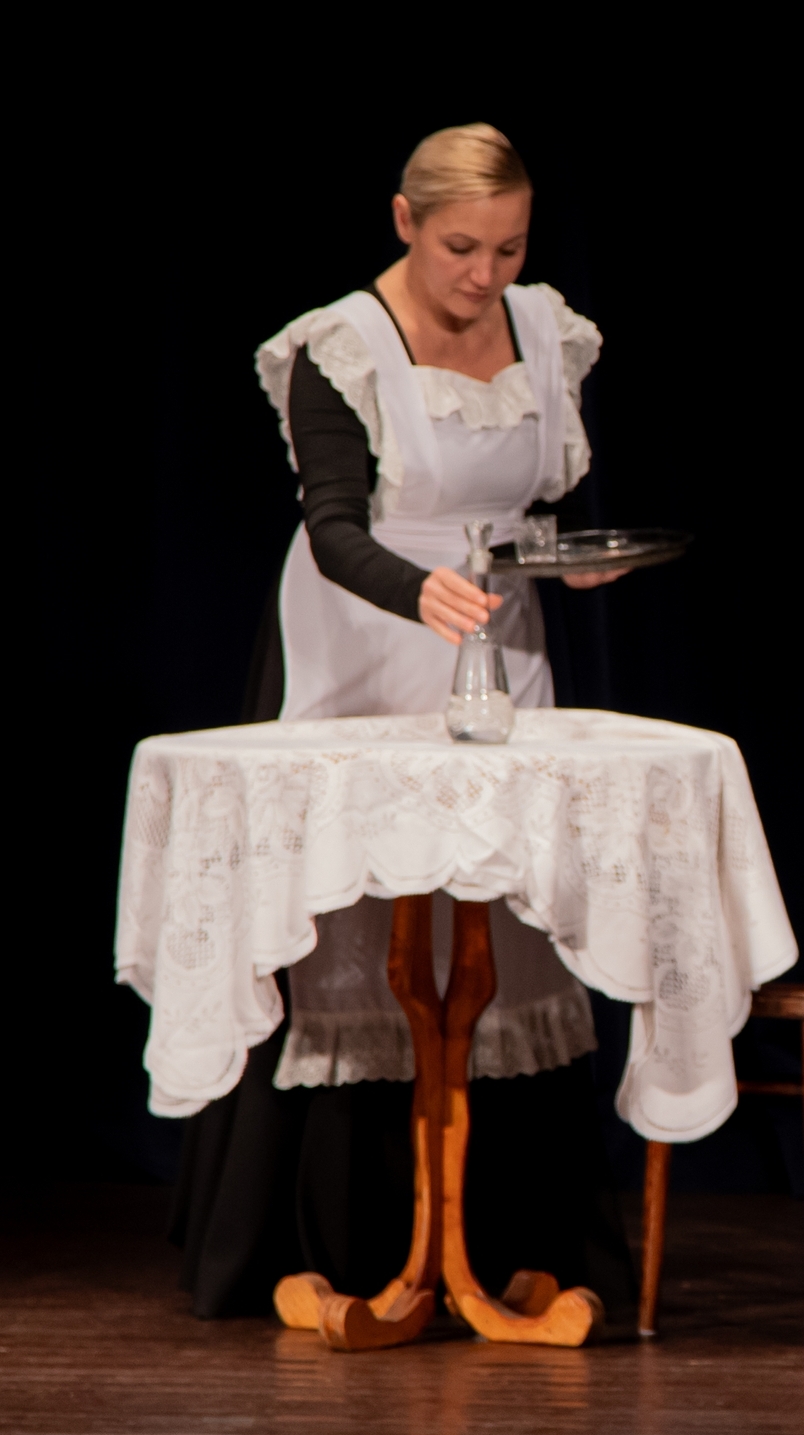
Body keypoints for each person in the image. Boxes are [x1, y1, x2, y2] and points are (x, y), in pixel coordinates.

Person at [170, 123, 637, 1321]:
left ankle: (502, 1230)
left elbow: (526, 507)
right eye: (460, 248)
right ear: (404, 222)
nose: (485, 274)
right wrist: (416, 591)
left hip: (493, 643)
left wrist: (565, 562)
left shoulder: (547, 329)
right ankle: (341, 1237)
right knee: (353, 919)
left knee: (500, 918)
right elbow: (334, 527)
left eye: (509, 249)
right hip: (360, 642)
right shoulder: (344, 344)